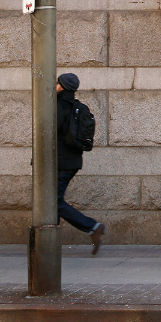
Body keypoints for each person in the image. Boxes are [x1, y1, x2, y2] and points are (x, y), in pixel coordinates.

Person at [55, 73, 105, 254]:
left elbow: (49, 133)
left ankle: (92, 226)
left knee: (52, 202)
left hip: (60, 162)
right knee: (53, 201)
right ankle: (49, 242)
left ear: (62, 86)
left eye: (57, 83)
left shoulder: (59, 107)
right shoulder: (77, 107)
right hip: (72, 161)